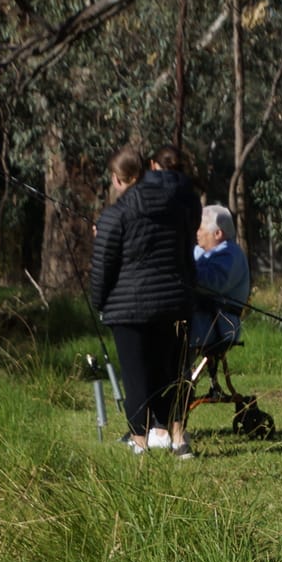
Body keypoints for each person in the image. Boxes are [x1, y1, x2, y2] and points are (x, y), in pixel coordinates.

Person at [90, 145, 201, 458]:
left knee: (136, 376)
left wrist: (98, 302)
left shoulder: (116, 214)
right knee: (173, 374)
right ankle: (179, 441)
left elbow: (102, 268)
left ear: (120, 179)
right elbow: (186, 256)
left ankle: (140, 443)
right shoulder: (178, 210)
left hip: (129, 309)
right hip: (175, 304)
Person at [190, 204, 250, 356]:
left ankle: (178, 377)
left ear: (217, 233)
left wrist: (183, 270)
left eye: (201, 229)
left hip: (218, 325)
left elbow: (210, 283)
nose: (197, 233)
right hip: (202, 319)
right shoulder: (200, 250)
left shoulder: (230, 255)